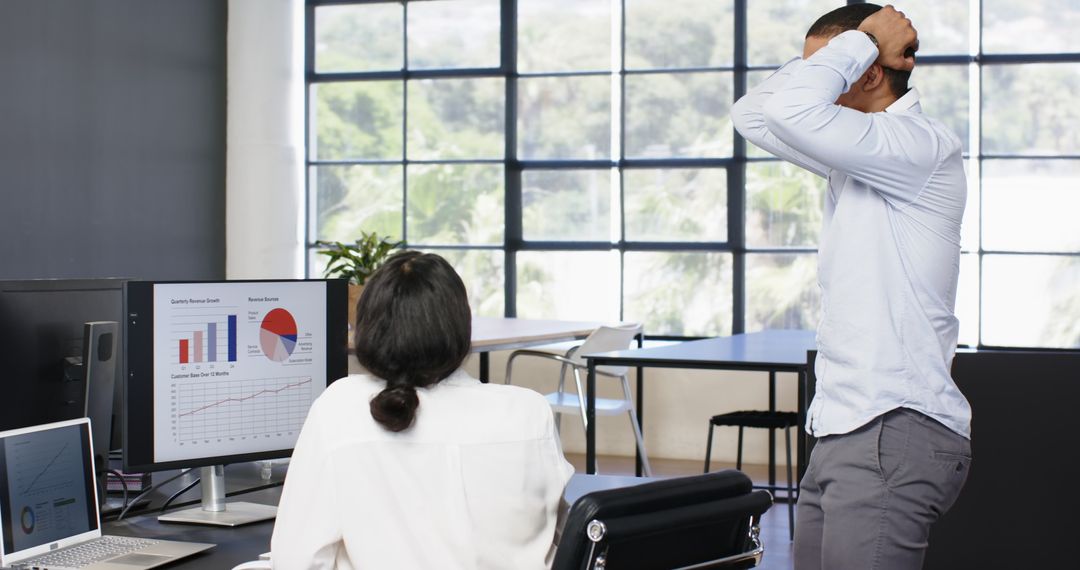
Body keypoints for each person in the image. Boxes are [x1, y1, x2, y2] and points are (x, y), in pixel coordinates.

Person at [732, 4, 971, 569]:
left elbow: (789, 110)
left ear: (867, 72)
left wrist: (863, 41)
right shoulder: (860, 154)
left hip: (891, 425)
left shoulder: (914, 145)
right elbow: (753, 115)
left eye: (836, 64)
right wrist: (856, 44)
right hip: (845, 428)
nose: (820, 77)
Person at [271, 251, 574, 569]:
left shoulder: (340, 407)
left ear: (369, 328)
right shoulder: (528, 412)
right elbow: (565, 530)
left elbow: (296, 560)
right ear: (462, 326)